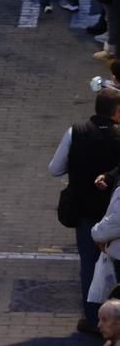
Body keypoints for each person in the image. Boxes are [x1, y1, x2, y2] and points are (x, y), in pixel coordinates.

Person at [50, 85, 120, 331]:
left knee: (89, 265)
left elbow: (55, 168)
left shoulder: (75, 132)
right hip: (114, 212)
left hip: (85, 210)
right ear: (117, 112)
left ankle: (94, 319)